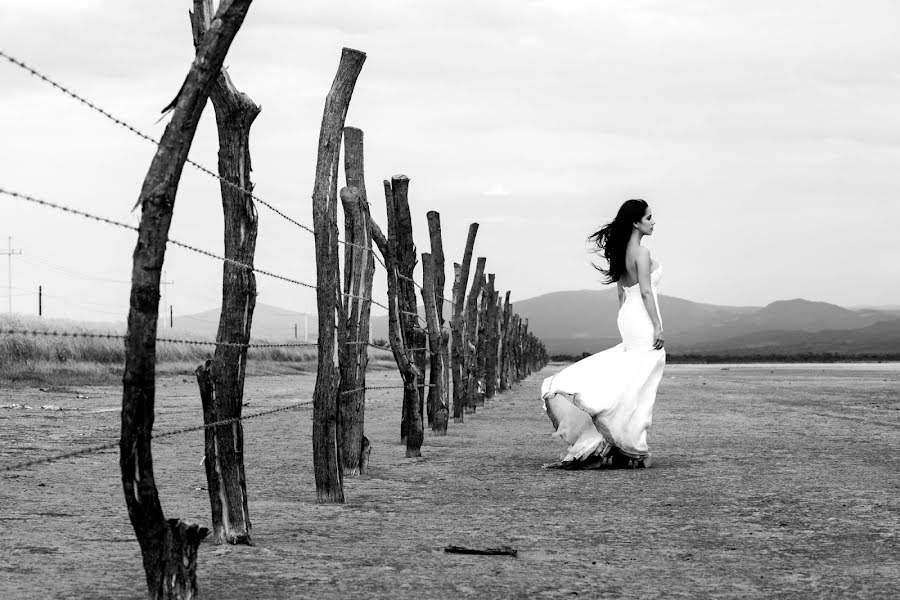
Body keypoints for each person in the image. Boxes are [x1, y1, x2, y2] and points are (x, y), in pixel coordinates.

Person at [541, 199, 665, 469]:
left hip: (630, 316)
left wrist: (625, 318)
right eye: (649, 217)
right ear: (636, 222)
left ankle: (622, 444)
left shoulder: (623, 253)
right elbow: (645, 291)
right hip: (641, 317)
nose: (654, 222)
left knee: (634, 379)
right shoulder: (641, 254)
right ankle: (630, 446)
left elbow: (622, 292)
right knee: (639, 381)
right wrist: (656, 325)